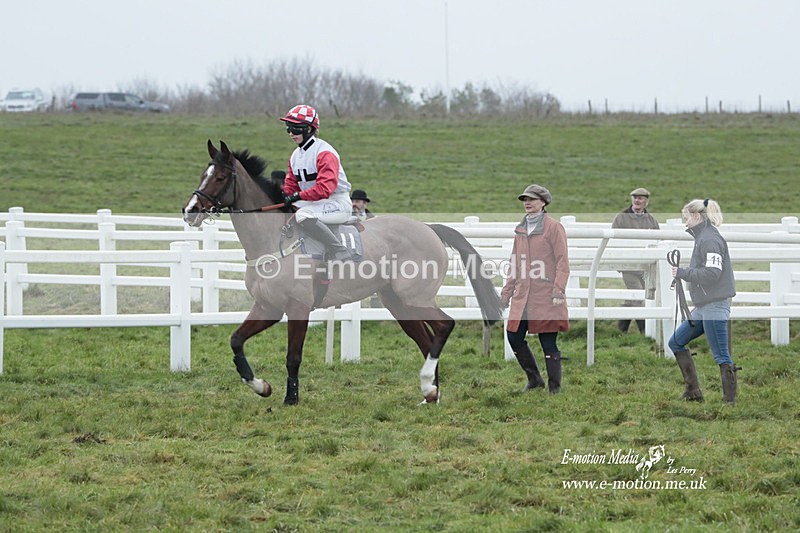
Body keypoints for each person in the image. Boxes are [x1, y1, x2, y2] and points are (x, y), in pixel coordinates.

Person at [501, 184, 570, 394]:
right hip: (523, 294)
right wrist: (506, 294)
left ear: (543, 202)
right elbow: (514, 263)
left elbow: (562, 262)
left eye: (531, 199)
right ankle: (535, 380)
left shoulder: (554, 228)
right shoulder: (520, 230)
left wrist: (558, 290)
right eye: (525, 199)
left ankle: (554, 388)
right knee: (513, 336)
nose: (527, 203)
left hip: (545, 294)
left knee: (548, 341)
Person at [668, 198, 738, 404]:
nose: (686, 222)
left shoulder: (709, 239)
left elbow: (712, 274)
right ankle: (693, 392)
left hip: (714, 306)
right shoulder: (704, 237)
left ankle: (729, 401)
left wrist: (683, 273)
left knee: (722, 355)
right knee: (676, 342)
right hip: (704, 306)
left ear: (697, 216)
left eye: (687, 218)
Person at [279, 104, 353, 261]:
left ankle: (339, 249)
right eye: (288, 128)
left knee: (302, 215)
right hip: (314, 203)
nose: (291, 133)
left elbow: (324, 189)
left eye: (296, 128)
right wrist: (283, 197)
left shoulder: (324, 153)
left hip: (337, 203)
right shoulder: (295, 156)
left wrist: (298, 196)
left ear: (309, 129)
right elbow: (291, 186)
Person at [611, 187, 661, 333]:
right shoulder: (621, 218)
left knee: (634, 298)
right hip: (628, 266)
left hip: (645, 267)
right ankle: (644, 332)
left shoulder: (651, 220)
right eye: (635, 198)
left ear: (646, 201)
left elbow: (659, 240)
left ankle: (621, 329)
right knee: (638, 296)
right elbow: (614, 240)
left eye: (640, 198)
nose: (637, 201)